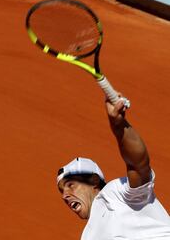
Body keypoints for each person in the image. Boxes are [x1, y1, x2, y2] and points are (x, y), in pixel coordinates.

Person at [57, 96, 170, 239]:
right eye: (62, 191)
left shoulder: (116, 193)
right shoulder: (88, 236)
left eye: (70, 185)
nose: (64, 196)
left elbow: (138, 165)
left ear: (94, 180)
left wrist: (119, 126)